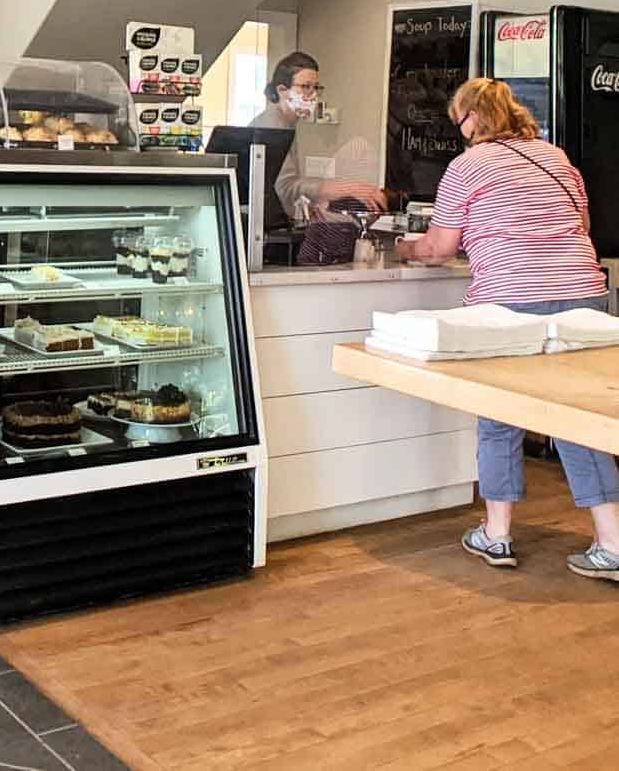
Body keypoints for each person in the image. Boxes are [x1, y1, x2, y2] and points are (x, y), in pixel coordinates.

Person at [397, 78, 619, 582]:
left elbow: (438, 248)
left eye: (461, 122)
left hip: (511, 300)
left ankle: (496, 535)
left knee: (499, 413)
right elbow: (580, 227)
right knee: (576, 417)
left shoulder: (468, 165)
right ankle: (612, 543)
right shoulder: (556, 158)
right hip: (583, 294)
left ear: (473, 118)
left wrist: (404, 247)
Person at [250, 52, 387, 220]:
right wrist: (348, 189)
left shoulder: (286, 124)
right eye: (306, 86)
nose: (313, 94)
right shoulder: (272, 126)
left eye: (317, 87)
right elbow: (286, 188)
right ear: (282, 90)